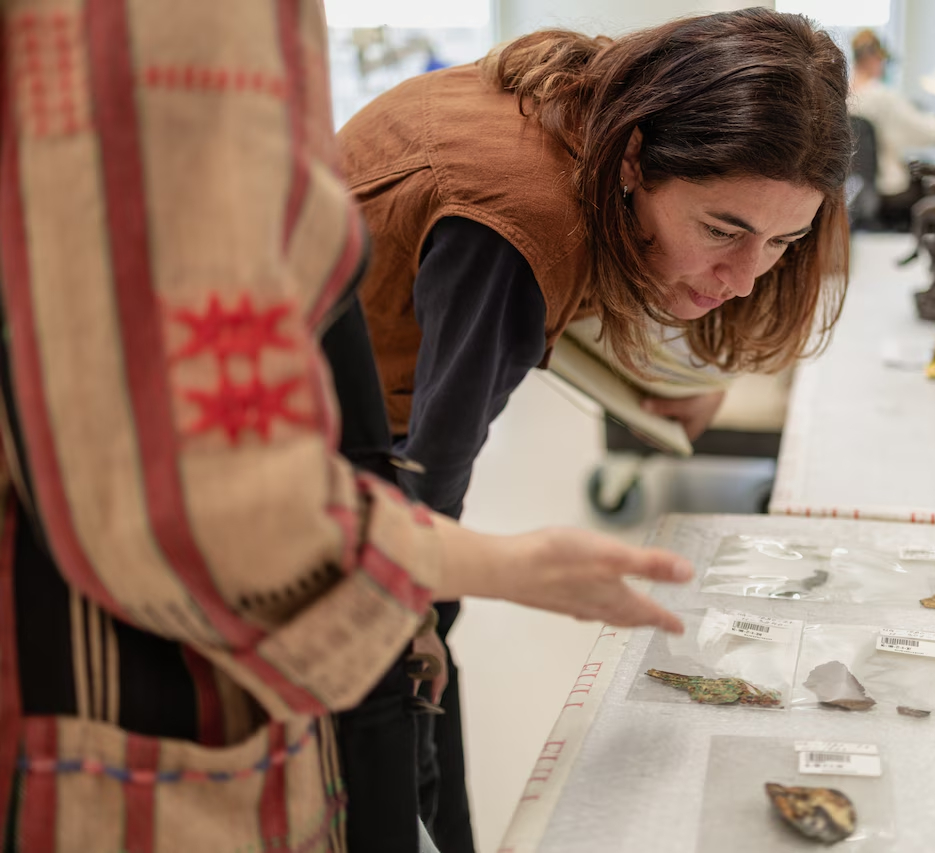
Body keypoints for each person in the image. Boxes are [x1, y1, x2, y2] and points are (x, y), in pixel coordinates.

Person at [0, 2, 692, 852]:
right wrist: (494, 567)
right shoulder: (177, 29)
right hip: (166, 618)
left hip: (322, 480)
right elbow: (189, 481)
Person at [337, 9, 854, 850]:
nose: (744, 276)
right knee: (397, 699)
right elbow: (434, 479)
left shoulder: (606, 102)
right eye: (722, 230)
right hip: (306, 445)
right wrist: (435, 605)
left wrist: (665, 378)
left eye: (782, 242)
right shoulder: (516, 223)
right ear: (636, 159)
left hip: (366, 393)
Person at [848, 29, 935, 230]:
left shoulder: (843, 96)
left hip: (857, 191)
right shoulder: (880, 96)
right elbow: (921, 129)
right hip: (889, 190)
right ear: (874, 58)